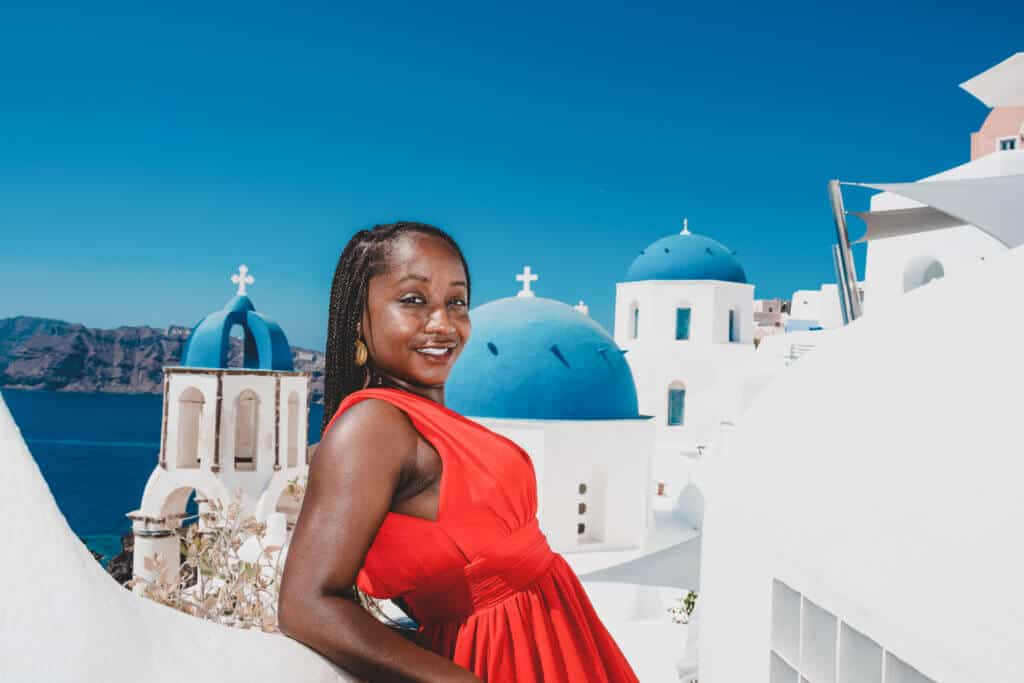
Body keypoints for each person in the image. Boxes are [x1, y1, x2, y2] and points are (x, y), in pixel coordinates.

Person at [278, 221, 639, 682]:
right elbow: (305, 604)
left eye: (457, 302)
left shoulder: (424, 419)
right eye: (413, 300)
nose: (443, 324)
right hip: (503, 661)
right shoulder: (372, 427)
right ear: (359, 317)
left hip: (558, 642)